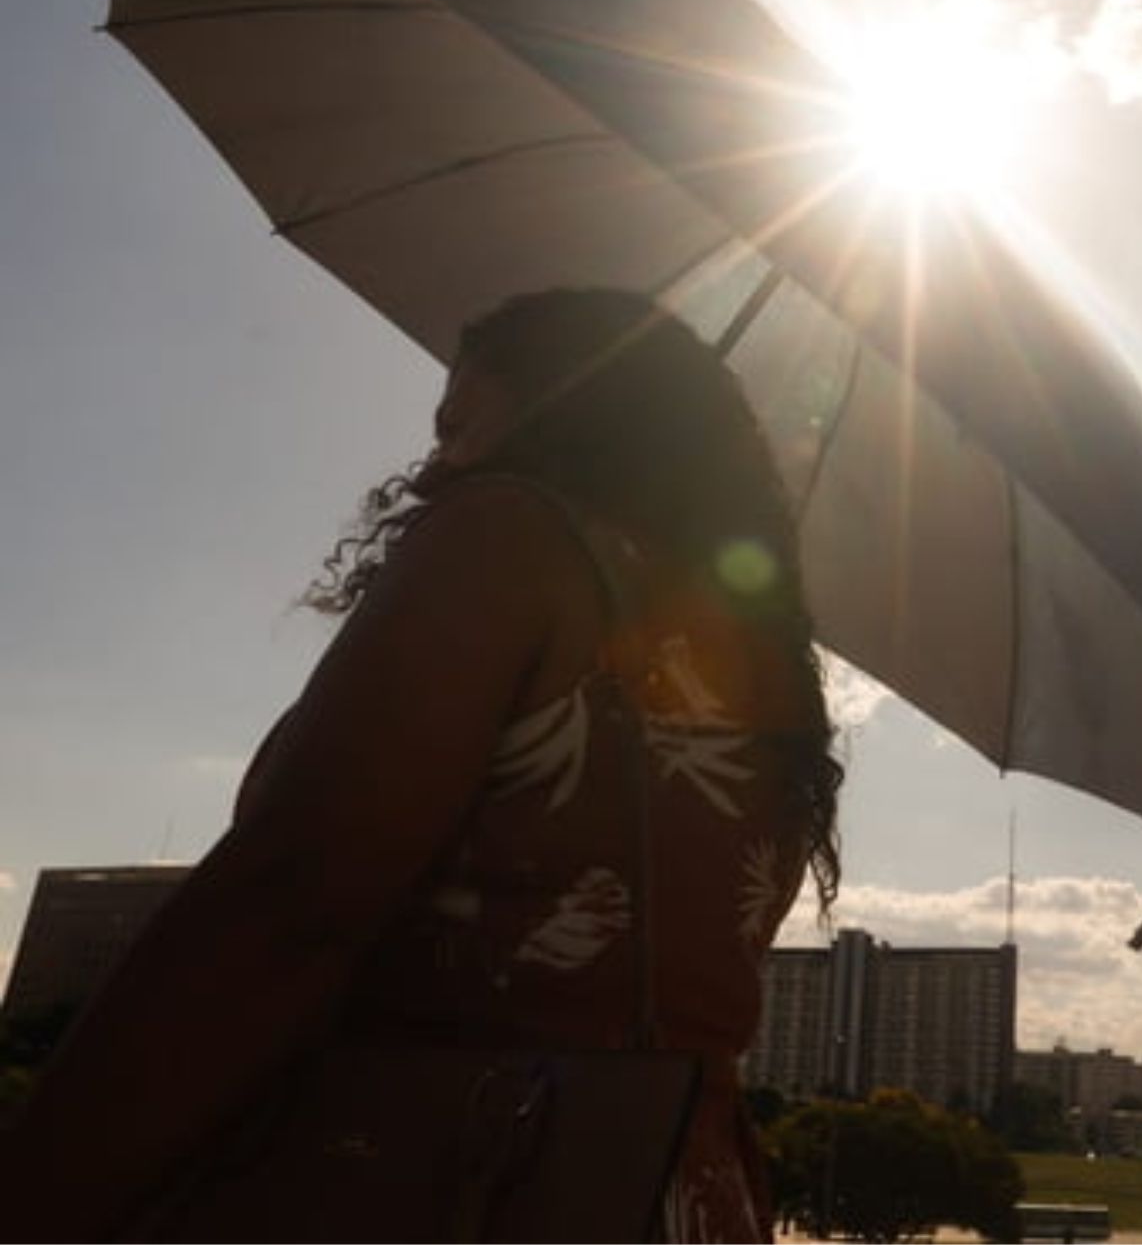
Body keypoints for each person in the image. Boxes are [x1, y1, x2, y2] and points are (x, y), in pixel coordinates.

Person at [0, 288, 840, 1241]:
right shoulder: (772, 676)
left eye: (459, 415)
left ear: (560, 402)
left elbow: (291, 904)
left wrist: (38, 1193)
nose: (442, 450)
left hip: (439, 1174)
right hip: (675, 1194)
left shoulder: (510, 537)